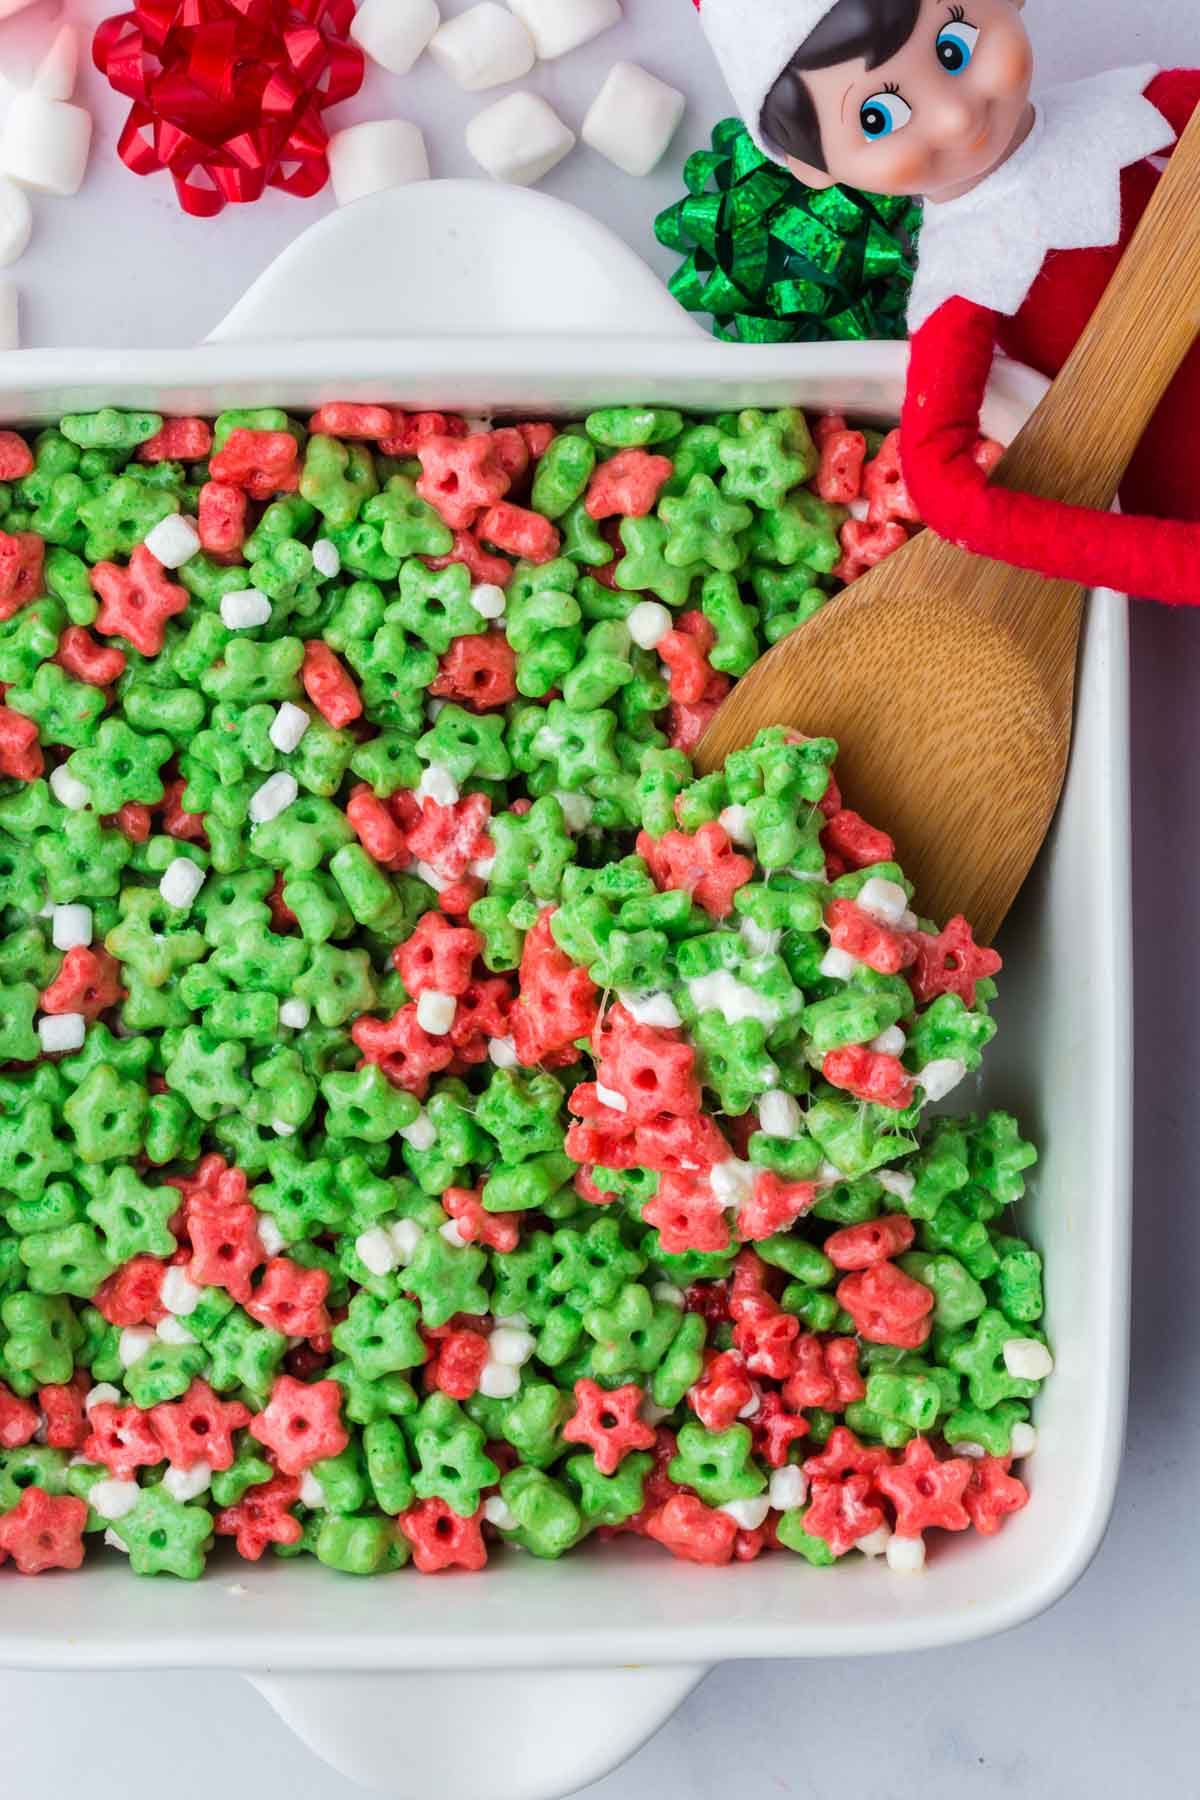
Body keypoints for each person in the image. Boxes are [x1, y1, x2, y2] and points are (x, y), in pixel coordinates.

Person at [693, 0, 1200, 605]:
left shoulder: (1127, 107)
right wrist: (1165, 562)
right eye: (879, 116)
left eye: (953, 47)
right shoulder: (962, 282)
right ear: (811, 167)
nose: (957, 118)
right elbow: (946, 493)